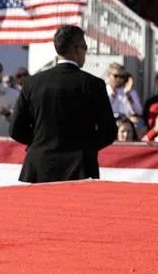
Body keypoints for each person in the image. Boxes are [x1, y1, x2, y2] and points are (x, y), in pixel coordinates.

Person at [9, 25, 118, 182]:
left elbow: (15, 129)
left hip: (39, 166)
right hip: (80, 167)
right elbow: (108, 132)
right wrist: (84, 147)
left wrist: (40, 143)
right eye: (85, 47)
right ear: (77, 49)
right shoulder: (93, 85)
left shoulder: (32, 83)